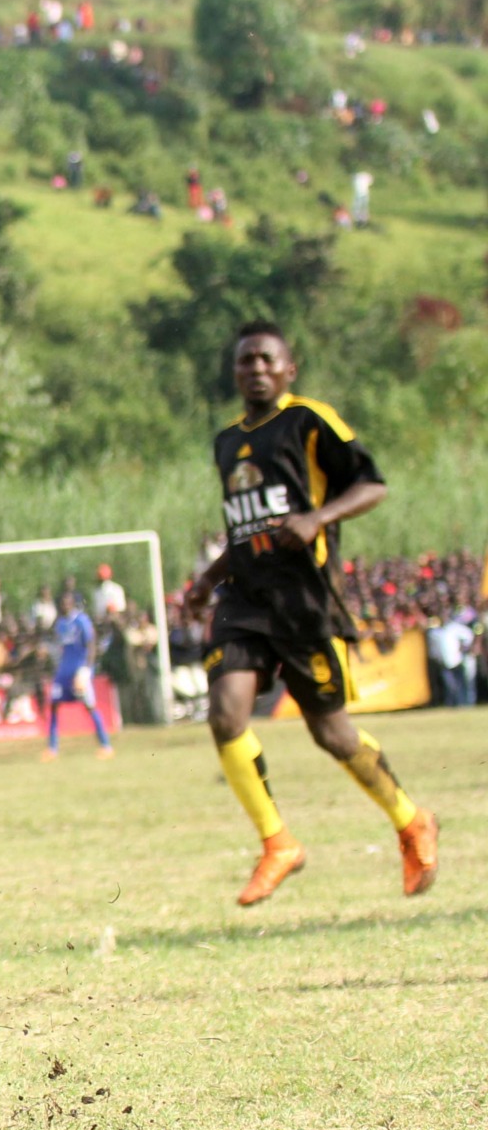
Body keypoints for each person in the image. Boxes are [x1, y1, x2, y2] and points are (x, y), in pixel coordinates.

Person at [179, 321, 437, 905]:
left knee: (332, 732)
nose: (257, 369)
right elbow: (244, 528)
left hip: (304, 603)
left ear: (289, 369)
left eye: (268, 360)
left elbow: (372, 486)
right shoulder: (226, 441)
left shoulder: (308, 421)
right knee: (225, 714)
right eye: (246, 360)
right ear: (235, 370)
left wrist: (319, 519)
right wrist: (207, 580)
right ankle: (278, 844)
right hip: (245, 600)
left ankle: (411, 818)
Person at [42, 590, 114, 760]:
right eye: (62, 603)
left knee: (89, 706)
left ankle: (105, 745)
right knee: (54, 705)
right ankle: (52, 749)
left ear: (73, 603)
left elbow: (91, 645)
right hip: (63, 672)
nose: (64, 605)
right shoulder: (59, 623)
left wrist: (87, 669)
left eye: (67, 602)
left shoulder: (81, 621)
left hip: (78, 671)